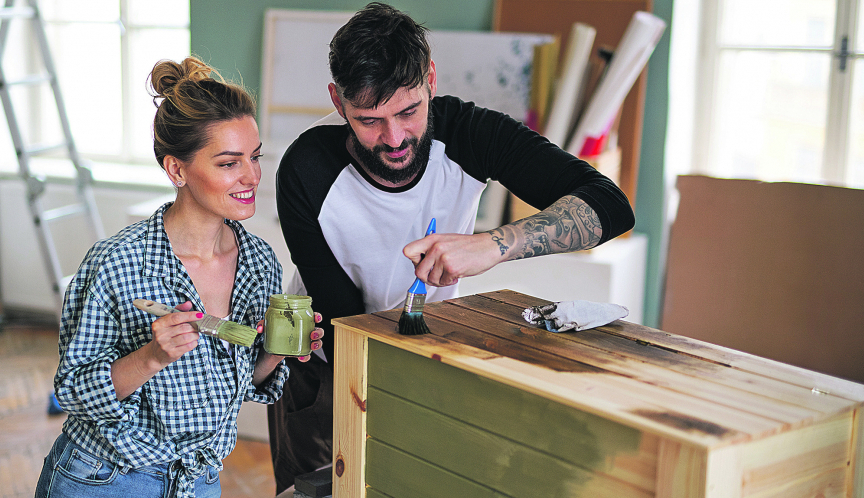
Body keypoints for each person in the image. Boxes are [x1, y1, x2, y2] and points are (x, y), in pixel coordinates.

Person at [269, 2, 636, 492]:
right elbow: (343, 326)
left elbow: (611, 207)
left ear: (431, 80)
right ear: (338, 102)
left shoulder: (470, 133)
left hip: (425, 354)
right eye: (369, 120)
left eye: (408, 111)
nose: (394, 138)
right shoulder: (306, 170)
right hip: (325, 368)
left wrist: (494, 244)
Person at [34, 56, 323, 498]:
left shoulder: (261, 262)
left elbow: (244, 384)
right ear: (177, 169)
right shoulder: (117, 262)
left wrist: (277, 351)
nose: (252, 176)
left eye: (254, 156)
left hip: (199, 482)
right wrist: (151, 357)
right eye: (229, 163)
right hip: (104, 480)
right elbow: (73, 392)